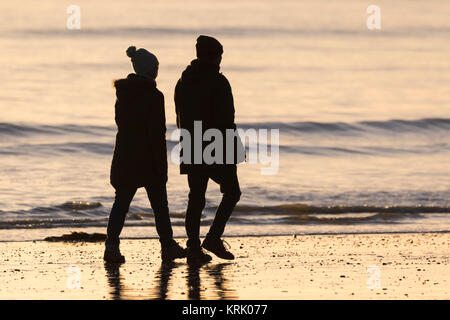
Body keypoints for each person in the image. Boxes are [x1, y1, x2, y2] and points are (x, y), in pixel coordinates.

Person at [104, 46, 186, 263]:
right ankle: (167, 246)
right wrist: (161, 165)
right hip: (148, 158)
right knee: (160, 205)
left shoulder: (123, 93)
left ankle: (111, 246)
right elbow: (156, 133)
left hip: (125, 155)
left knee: (121, 203)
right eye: (156, 67)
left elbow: (121, 124)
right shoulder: (154, 96)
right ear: (151, 70)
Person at [175, 36, 244, 265]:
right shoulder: (218, 81)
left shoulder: (183, 80)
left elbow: (180, 117)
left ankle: (194, 246)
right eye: (220, 56)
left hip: (192, 142)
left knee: (196, 197)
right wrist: (234, 151)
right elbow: (227, 119)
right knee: (232, 191)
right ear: (215, 56)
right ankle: (213, 237)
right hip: (216, 144)